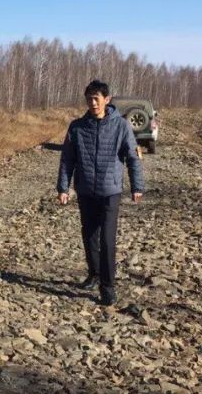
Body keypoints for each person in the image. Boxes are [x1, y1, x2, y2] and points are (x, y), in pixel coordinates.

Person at [56, 79, 144, 305]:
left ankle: (108, 286)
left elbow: (133, 157)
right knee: (89, 235)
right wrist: (63, 187)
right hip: (86, 190)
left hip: (110, 191)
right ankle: (94, 273)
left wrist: (137, 186)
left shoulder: (121, 126)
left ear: (107, 100)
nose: (93, 103)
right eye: (89, 99)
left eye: (96, 99)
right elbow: (67, 159)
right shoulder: (77, 127)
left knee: (107, 239)